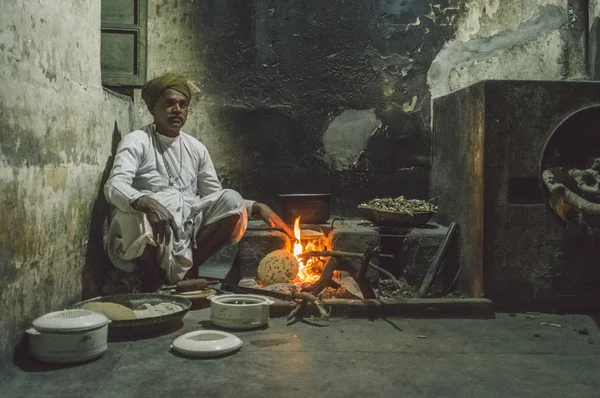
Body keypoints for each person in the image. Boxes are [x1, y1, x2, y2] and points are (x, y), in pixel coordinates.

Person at [104, 73, 293, 292]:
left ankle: (189, 270)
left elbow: (215, 196)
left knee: (231, 200)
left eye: (183, 105)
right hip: (153, 228)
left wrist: (254, 206)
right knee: (130, 217)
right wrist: (145, 202)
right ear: (152, 108)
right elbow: (114, 184)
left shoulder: (196, 148)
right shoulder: (137, 141)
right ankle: (153, 279)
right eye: (169, 103)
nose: (177, 110)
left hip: (188, 224)